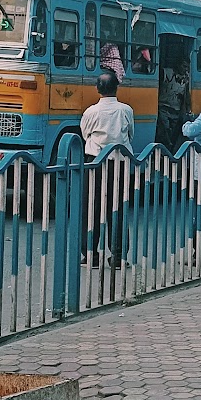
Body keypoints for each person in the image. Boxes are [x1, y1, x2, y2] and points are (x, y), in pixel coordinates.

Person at [80, 71, 135, 264]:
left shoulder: (90, 112)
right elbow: (130, 134)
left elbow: (85, 134)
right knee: (117, 208)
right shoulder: (126, 110)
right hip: (119, 162)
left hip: (95, 161)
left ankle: (90, 254)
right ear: (116, 88)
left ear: (97, 89)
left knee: (91, 208)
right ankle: (118, 256)